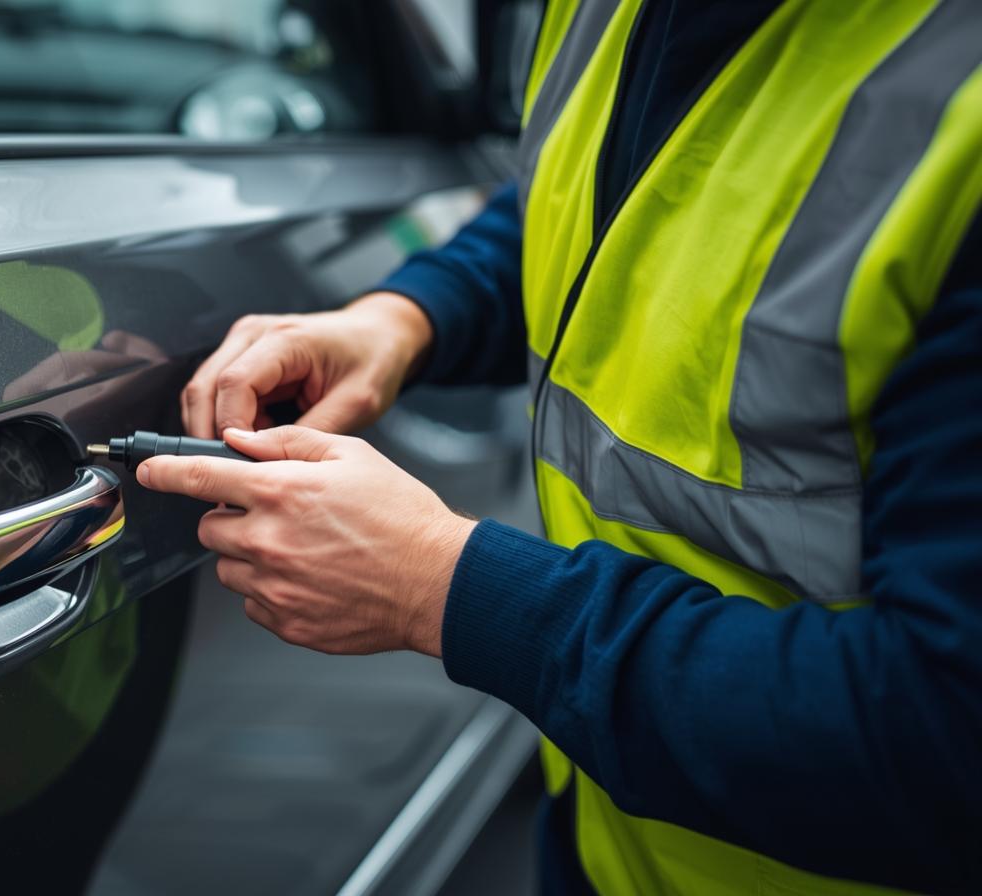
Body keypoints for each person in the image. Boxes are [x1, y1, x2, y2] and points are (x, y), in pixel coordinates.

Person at [135, 2, 982, 894]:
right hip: (604, 843)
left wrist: (451, 589)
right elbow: (601, 204)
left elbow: (948, 744)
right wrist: (407, 317)